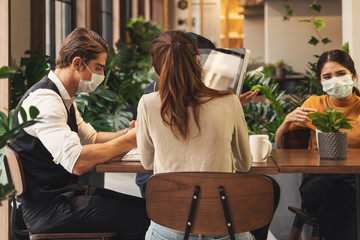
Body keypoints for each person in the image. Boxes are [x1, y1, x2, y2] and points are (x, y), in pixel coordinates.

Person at [135, 32, 277, 240]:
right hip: (224, 229)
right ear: (197, 62)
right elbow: (245, 164)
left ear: (156, 69)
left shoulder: (147, 103)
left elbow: (147, 162)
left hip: (169, 229)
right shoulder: (229, 101)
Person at [10, 27, 149, 239]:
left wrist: (127, 132)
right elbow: (77, 162)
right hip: (47, 210)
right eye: (98, 68)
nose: (101, 76)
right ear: (77, 63)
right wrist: (129, 141)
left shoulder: (63, 97)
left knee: (146, 209)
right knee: (139, 218)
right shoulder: (45, 101)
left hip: (63, 196)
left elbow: (92, 138)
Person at [275, 49, 358, 239]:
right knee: (340, 195)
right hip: (319, 181)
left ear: (353, 76)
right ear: (321, 81)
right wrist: (286, 123)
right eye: (327, 76)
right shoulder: (314, 104)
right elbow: (281, 148)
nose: (335, 80)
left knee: (341, 199)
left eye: (341, 74)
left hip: (355, 180)